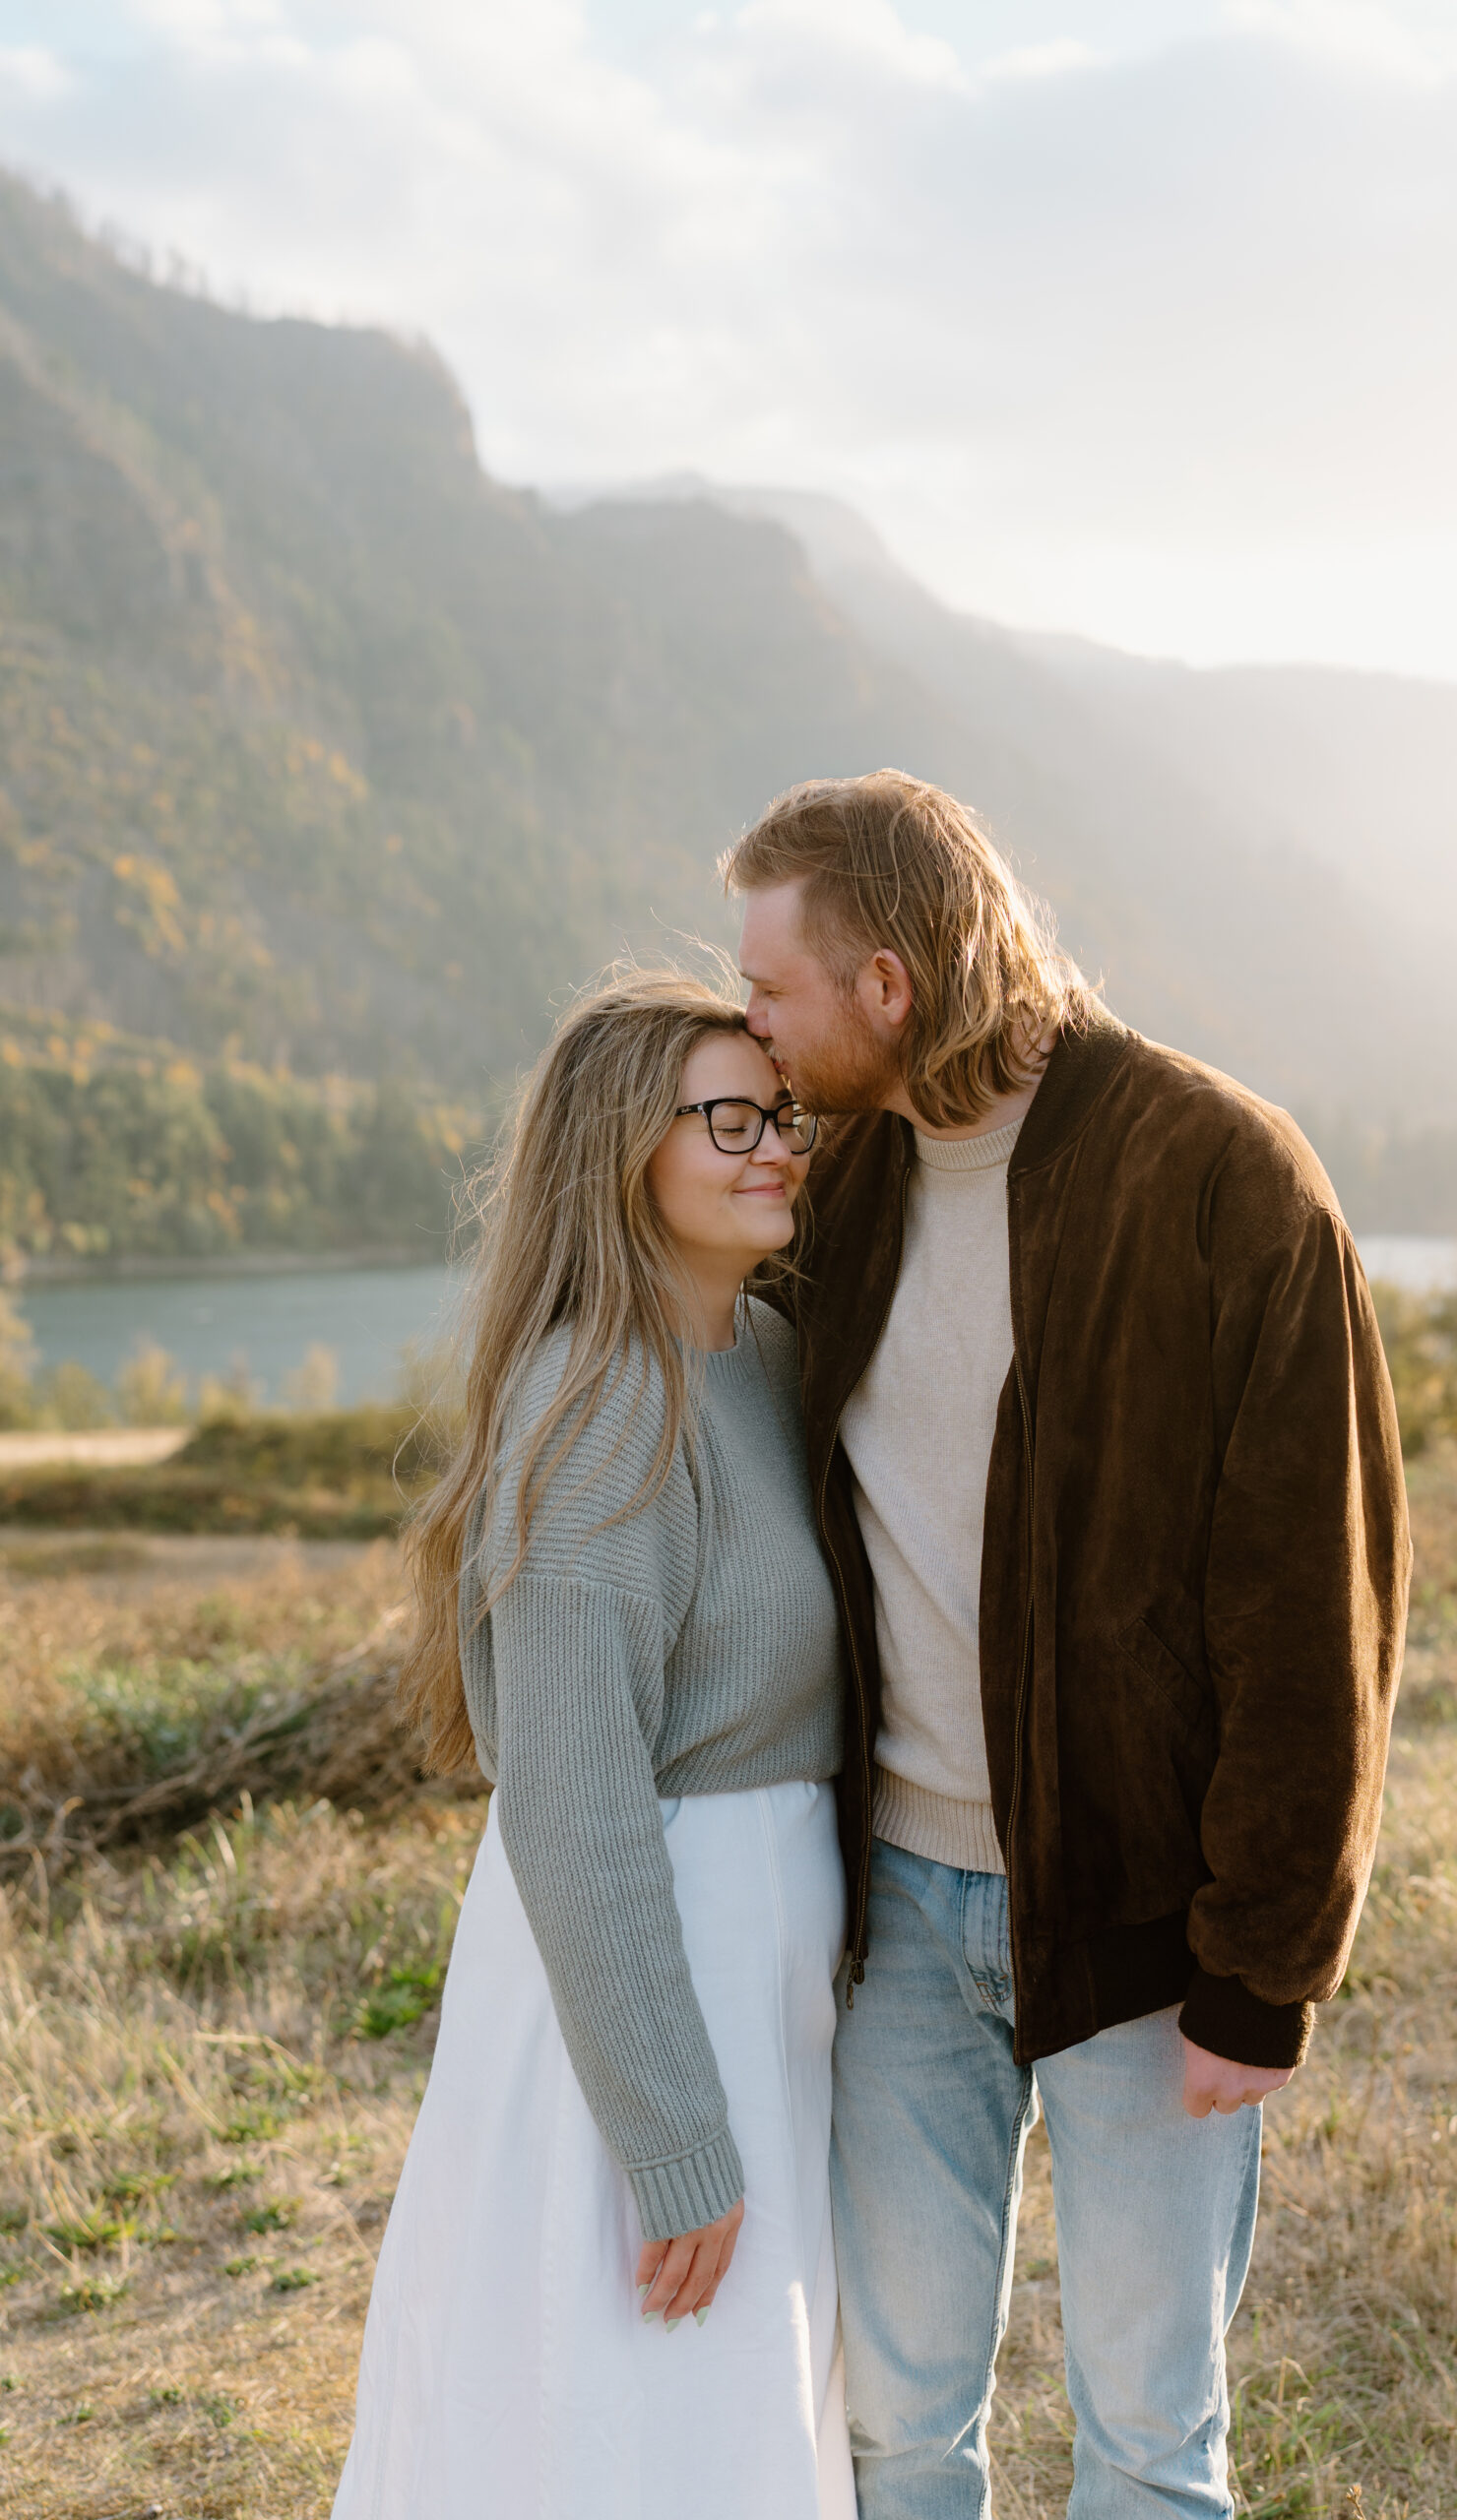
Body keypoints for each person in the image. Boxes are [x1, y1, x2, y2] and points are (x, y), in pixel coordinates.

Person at [724, 773, 1411, 2520]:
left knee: (1151, 2444)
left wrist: (1266, 1966)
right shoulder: (843, 1188)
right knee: (891, 2432)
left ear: (886, 986)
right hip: (893, 1917)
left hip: (1144, 1932)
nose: (753, 1029)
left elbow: (1315, 1607)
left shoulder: (1223, 1179)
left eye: (772, 992)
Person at [333, 970, 857, 2520]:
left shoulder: (760, 1355)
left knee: (733, 2395)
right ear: (622, 1150)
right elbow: (571, 1803)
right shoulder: (598, 1404)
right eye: (729, 1119)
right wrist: (673, 2129)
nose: (776, 1147)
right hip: (643, 1977)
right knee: (625, 2406)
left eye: (783, 1116)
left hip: (756, 1957)